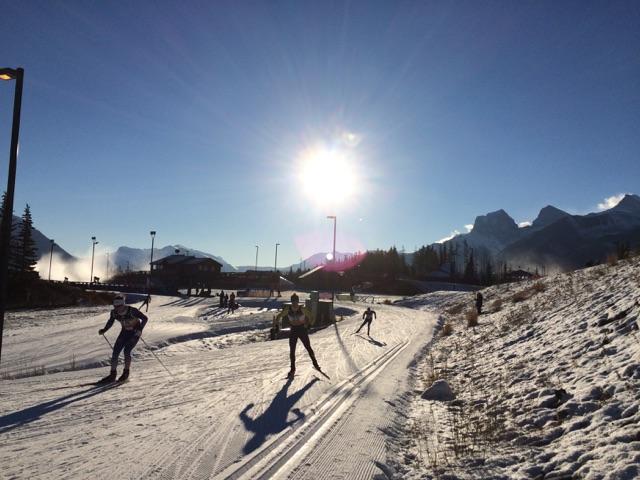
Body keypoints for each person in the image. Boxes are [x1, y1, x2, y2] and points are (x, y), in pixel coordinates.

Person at [97, 294, 148, 383]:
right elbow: (110, 321)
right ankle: (112, 375)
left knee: (126, 351)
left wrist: (139, 329)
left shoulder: (132, 311)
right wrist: (104, 330)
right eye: (115, 306)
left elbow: (145, 318)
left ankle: (126, 373)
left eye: (119, 306)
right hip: (124, 332)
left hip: (134, 333)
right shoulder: (114, 312)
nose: (117, 308)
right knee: (115, 352)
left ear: (123, 304)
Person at [275, 293, 322, 378]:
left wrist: (309, 325)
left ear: (298, 301)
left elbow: (311, 316)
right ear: (291, 301)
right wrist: (276, 325)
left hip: (302, 330)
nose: (294, 303)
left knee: (308, 347)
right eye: (293, 301)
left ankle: (316, 364)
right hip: (293, 330)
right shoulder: (287, 309)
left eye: (296, 301)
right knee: (292, 351)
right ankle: (292, 370)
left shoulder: (302, 309)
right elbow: (279, 316)